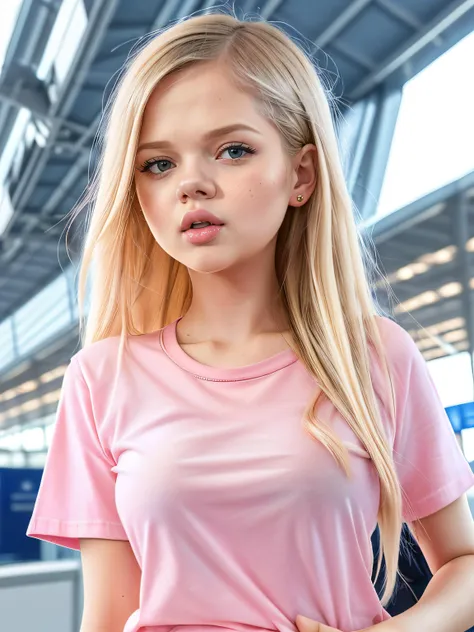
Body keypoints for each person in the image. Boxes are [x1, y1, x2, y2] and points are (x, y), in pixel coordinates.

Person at [26, 12, 474, 632]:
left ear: (302, 174)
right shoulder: (102, 377)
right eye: (157, 164)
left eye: (232, 150)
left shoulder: (373, 357)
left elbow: (464, 562)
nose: (192, 184)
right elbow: (106, 616)